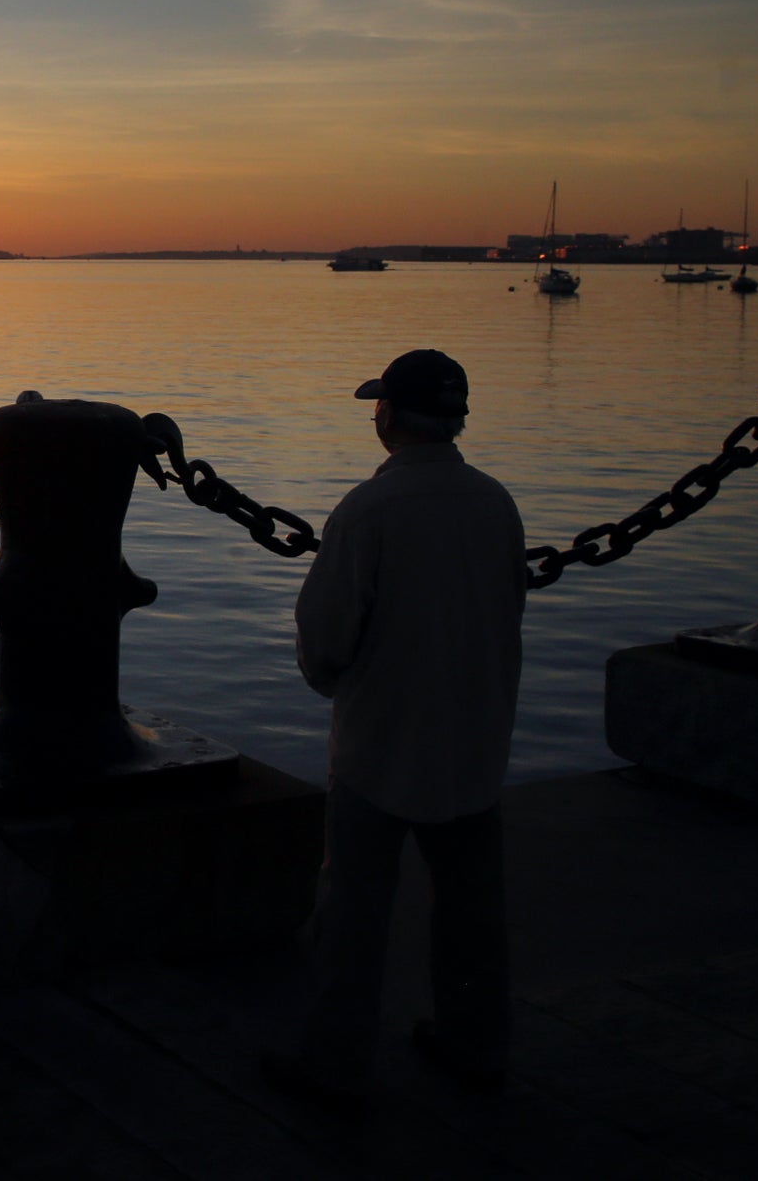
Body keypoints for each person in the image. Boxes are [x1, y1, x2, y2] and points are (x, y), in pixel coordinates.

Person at [262, 349, 525, 1117]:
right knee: (473, 908)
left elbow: (325, 634)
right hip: (475, 737)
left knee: (353, 910)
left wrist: (331, 682)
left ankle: (336, 1063)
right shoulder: (495, 502)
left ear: (388, 417)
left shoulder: (369, 510)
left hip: (382, 741)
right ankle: (476, 1045)